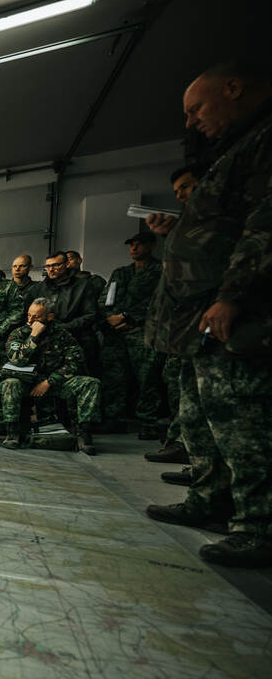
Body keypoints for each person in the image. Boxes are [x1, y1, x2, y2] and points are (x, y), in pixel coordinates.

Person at [144, 59, 272, 566]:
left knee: (243, 424)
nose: (191, 122)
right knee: (205, 419)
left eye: (196, 109)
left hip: (235, 312)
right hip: (200, 317)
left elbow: (265, 226)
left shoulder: (262, 142)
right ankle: (211, 499)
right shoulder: (235, 149)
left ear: (234, 88)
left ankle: (259, 527)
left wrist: (235, 294)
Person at [145, 165, 202, 466]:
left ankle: (200, 465)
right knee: (185, 393)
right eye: (177, 190)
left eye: (187, 186)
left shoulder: (224, 223)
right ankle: (195, 462)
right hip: (180, 329)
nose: (181, 195)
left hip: (205, 326)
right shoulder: (189, 226)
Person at [0, 298, 100, 454]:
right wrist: (33, 337)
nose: (30, 319)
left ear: (49, 317)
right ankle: (13, 433)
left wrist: (49, 382)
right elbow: (17, 360)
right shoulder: (18, 333)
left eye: (36, 317)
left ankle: (83, 434)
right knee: (9, 384)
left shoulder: (62, 335)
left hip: (54, 383)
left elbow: (76, 361)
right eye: (29, 315)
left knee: (90, 383)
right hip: (27, 383)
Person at [97, 231, 164, 438]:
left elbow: (160, 301)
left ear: (152, 245)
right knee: (114, 376)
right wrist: (111, 317)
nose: (134, 249)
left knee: (148, 377)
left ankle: (148, 421)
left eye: (139, 244)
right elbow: (106, 299)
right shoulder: (120, 273)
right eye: (131, 245)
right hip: (116, 333)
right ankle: (113, 419)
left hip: (142, 331)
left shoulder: (161, 270)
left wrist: (127, 316)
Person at [24, 251, 101, 374]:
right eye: (48, 266)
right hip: (46, 341)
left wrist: (63, 328)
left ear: (66, 265)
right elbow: (27, 315)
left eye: (56, 265)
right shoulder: (38, 289)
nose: (51, 269)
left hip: (77, 338)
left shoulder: (83, 286)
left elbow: (91, 315)